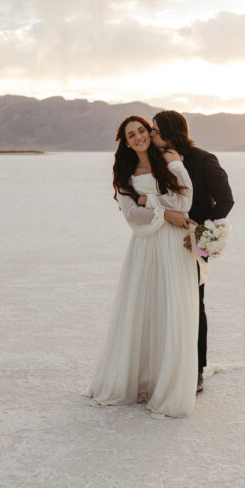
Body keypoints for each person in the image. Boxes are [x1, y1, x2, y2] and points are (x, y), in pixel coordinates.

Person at [86, 115, 199, 418]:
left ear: (150, 132)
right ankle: (140, 378)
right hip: (145, 248)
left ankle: (168, 383)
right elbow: (131, 217)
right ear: (125, 141)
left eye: (141, 131)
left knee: (172, 308)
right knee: (144, 307)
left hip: (174, 246)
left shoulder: (170, 159)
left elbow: (183, 202)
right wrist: (165, 214)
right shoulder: (125, 173)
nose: (138, 137)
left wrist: (149, 201)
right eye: (130, 135)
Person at [151, 111, 234, 394]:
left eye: (155, 130)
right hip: (161, 240)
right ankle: (165, 364)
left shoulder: (203, 160)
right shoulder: (153, 161)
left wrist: (201, 234)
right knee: (162, 302)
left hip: (191, 243)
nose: (151, 135)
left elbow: (225, 199)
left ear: (171, 132)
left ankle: (196, 370)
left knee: (193, 304)